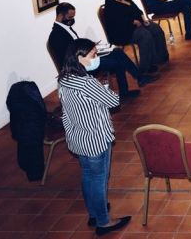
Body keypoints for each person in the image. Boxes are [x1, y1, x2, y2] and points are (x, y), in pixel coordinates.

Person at [57, 38, 132, 235]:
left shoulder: (63, 78)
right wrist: (104, 87)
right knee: (100, 179)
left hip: (78, 138)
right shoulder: (87, 83)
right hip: (96, 138)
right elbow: (113, 101)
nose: (96, 58)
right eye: (93, 54)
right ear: (79, 58)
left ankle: (94, 213)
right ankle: (103, 222)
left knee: (88, 176)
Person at [48, 2, 154, 98]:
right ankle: (125, 92)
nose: (72, 20)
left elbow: (76, 46)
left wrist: (90, 48)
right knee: (117, 63)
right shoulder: (56, 35)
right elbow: (69, 57)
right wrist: (89, 54)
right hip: (80, 65)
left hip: (85, 58)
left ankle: (139, 78)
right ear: (60, 16)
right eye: (70, 17)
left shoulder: (65, 28)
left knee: (117, 52)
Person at [103, 0, 169, 75]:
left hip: (138, 25)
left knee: (155, 28)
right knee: (145, 35)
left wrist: (144, 19)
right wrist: (132, 22)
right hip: (123, 32)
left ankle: (160, 57)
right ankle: (145, 67)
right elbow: (118, 22)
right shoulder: (111, 6)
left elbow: (138, 11)